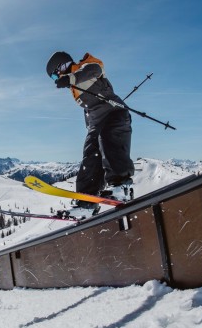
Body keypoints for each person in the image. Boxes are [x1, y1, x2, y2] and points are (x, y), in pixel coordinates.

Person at [46, 51, 135, 219]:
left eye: (53, 76)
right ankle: (87, 202)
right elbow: (89, 109)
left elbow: (94, 70)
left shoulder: (85, 66)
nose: (55, 79)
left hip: (115, 114)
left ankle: (122, 186)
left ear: (60, 67)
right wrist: (90, 129)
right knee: (90, 154)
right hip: (97, 123)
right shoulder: (74, 86)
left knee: (107, 139)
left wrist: (71, 78)